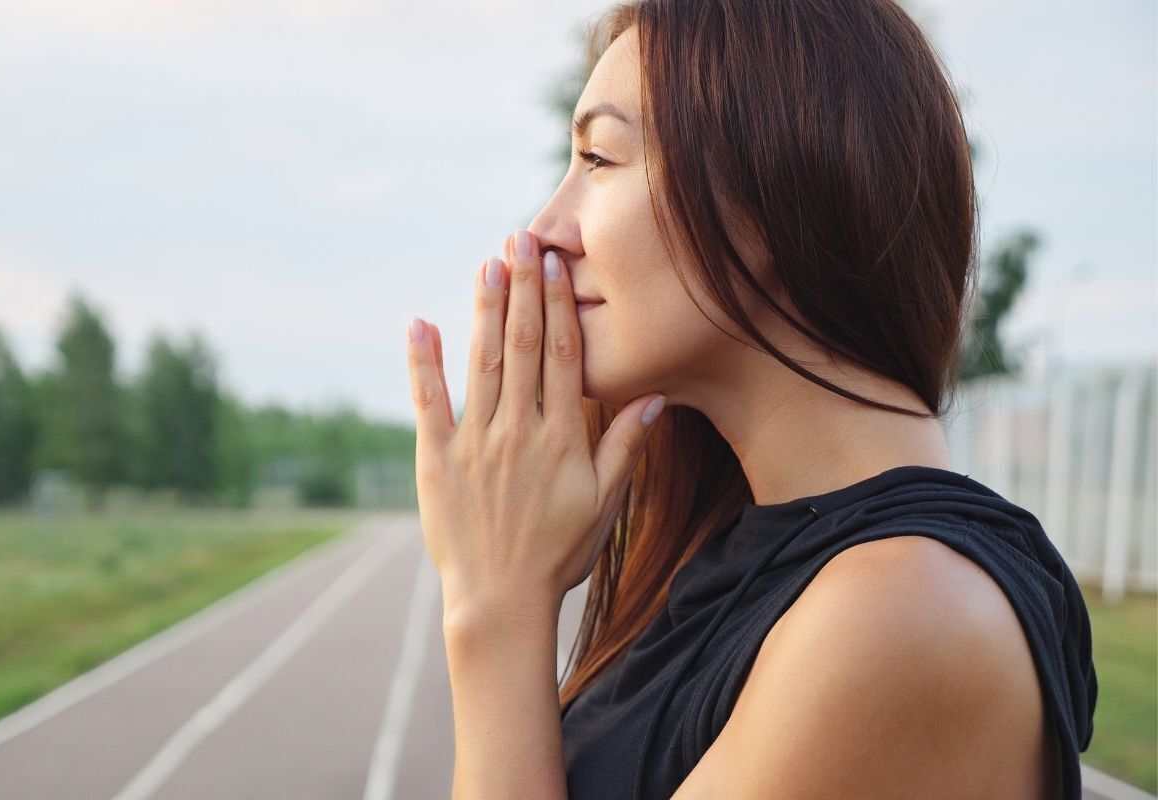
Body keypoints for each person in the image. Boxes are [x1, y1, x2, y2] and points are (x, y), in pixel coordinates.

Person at [404, 1, 1097, 798]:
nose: (547, 227)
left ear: (773, 190)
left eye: (598, 159)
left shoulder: (900, 615)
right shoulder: (747, 555)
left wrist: (494, 611)